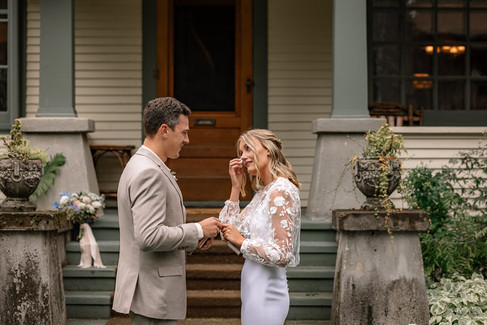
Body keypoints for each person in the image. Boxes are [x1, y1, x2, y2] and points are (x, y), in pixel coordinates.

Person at [112, 97, 222, 325]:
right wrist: (197, 229)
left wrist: (194, 239)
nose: (187, 140)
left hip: (150, 292)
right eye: (183, 133)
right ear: (164, 130)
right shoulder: (148, 172)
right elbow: (148, 237)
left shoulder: (139, 164)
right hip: (154, 294)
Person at [219, 129, 301, 325]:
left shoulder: (280, 190)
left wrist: (242, 242)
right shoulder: (264, 192)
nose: (243, 157)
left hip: (267, 291)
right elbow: (228, 230)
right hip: (252, 285)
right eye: (240, 152)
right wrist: (235, 188)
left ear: (269, 151)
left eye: (248, 148)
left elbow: (283, 254)